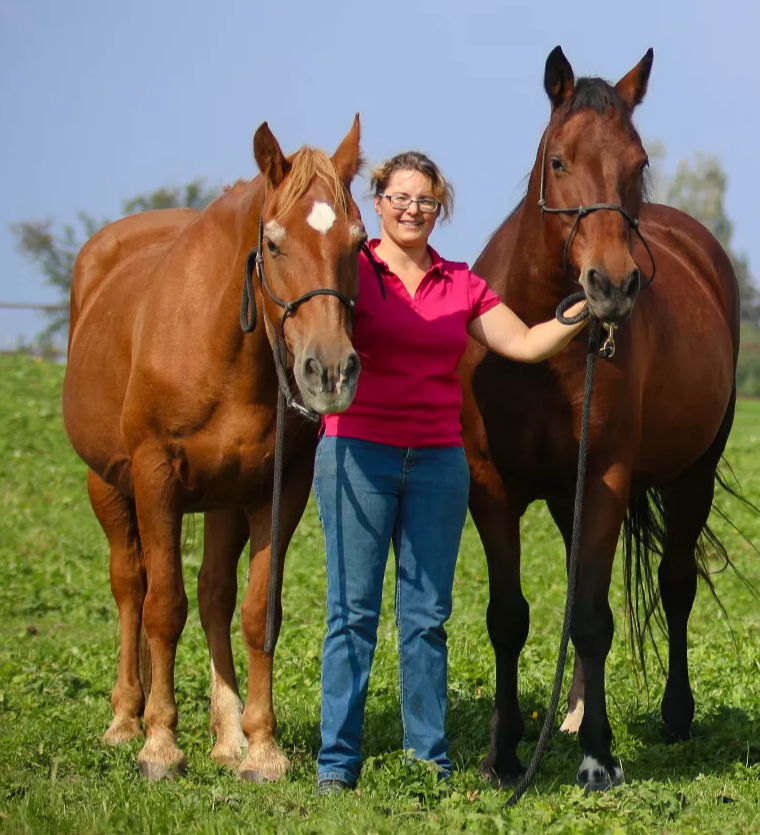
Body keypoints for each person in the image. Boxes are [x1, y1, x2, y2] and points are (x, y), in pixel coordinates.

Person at [313, 151, 587, 794]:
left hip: (438, 461)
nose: (412, 209)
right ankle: (336, 764)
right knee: (351, 614)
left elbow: (521, 342)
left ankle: (427, 761)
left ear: (442, 210)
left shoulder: (461, 282)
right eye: (400, 197)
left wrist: (583, 314)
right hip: (357, 454)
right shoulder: (349, 270)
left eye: (426, 201)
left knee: (426, 616)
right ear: (376, 202)